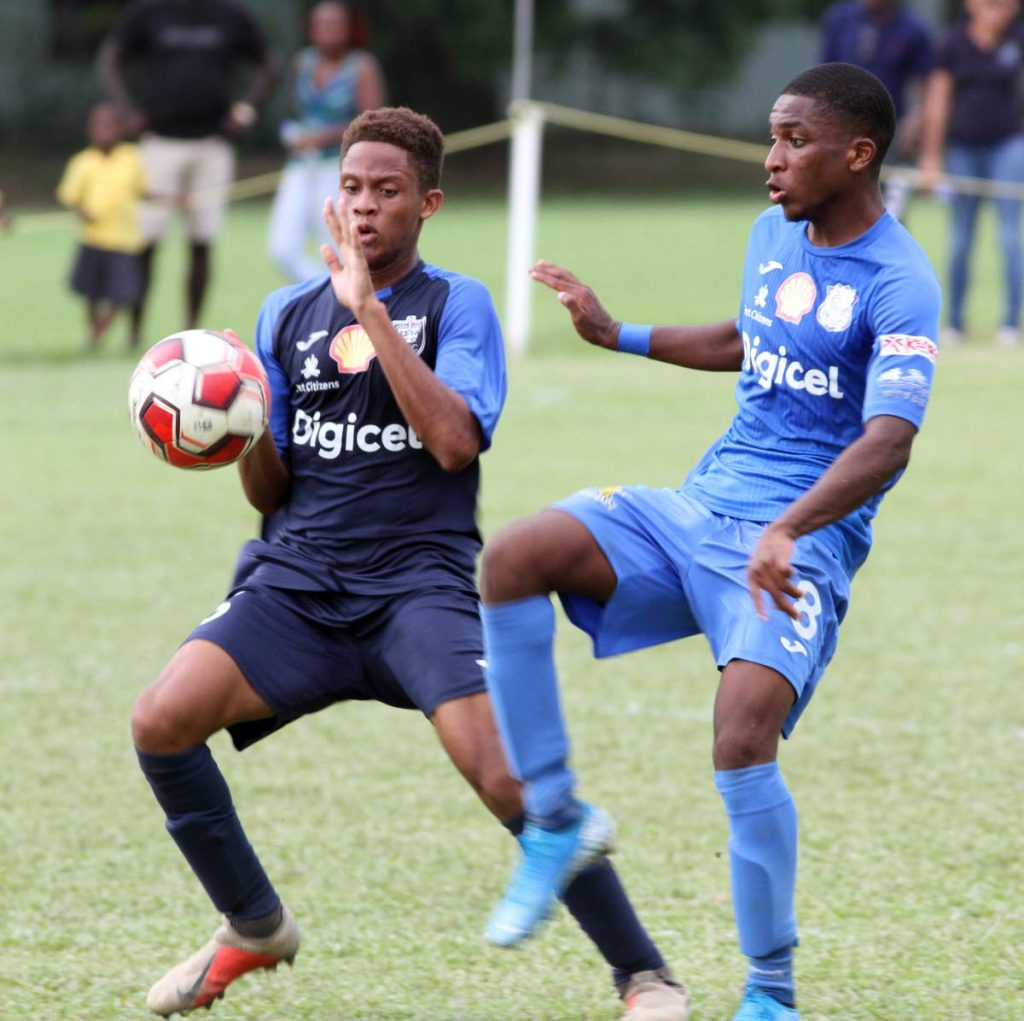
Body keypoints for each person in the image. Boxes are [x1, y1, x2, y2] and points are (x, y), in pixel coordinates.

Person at [130, 107, 690, 1021]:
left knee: (509, 778)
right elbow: (269, 494)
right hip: (297, 584)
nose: (363, 208)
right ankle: (254, 924)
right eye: (351, 189)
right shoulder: (283, 313)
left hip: (416, 585)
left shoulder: (455, 304)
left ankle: (645, 975)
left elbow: (453, 443)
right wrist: (240, 423)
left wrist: (368, 313)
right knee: (160, 720)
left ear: (425, 203)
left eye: (386, 192)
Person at [477, 63, 940, 1021]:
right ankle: (556, 821)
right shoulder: (772, 232)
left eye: (795, 140)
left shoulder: (902, 282)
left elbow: (888, 439)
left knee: (741, 738)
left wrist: (790, 527)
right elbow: (750, 337)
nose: (772, 161)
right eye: (771, 137)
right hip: (696, 510)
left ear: (858, 154)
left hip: (795, 546)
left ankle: (770, 994)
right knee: (513, 557)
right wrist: (619, 333)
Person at [97, 0, 279, 342]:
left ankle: (191, 331)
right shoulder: (150, 11)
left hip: (212, 145)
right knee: (146, 242)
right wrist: (125, 111)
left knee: (201, 242)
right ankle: (135, 333)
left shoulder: (230, 14)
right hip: (159, 144)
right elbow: (110, 58)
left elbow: (270, 63)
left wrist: (246, 111)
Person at [918, 0, 1024, 348]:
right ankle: (956, 322)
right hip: (962, 149)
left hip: (1007, 147)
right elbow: (938, 100)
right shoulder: (953, 44)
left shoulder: (1017, 38)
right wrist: (931, 156)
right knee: (961, 238)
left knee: (1010, 237)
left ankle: (1010, 322)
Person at [268, 0, 385, 282]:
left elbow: (373, 121)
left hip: (338, 167)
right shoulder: (303, 62)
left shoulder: (361, 66)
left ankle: (344, 297)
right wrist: (297, 135)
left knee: (339, 242)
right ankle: (328, 289)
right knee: (282, 247)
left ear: (348, 29)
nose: (325, 31)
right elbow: (301, 110)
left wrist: (326, 137)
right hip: (300, 165)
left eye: (333, 25)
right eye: (319, 25)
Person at [819, 0, 935, 221]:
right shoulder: (840, 19)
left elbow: (927, 82)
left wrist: (917, 118)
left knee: (889, 213)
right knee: (837, 207)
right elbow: (823, 74)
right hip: (841, 130)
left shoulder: (913, 29)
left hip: (889, 135)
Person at [56, 102, 146, 350]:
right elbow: (70, 196)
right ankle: (94, 332)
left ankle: (102, 330)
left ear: (121, 129)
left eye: (111, 126)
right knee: (90, 291)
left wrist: (176, 198)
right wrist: (81, 211)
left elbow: (143, 190)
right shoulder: (82, 162)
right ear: (90, 130)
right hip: (93, 238)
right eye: (99, 126)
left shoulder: (132, 158)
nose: (105, 131)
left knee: (122, 292)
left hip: (125, 240)